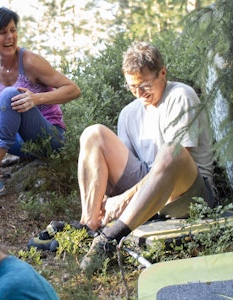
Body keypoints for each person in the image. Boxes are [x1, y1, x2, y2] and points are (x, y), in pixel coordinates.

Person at [78, 41, 215, 272]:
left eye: (145, 86)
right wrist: (112, 199)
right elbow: (123, 172)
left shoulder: (181, 96)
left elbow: (180, 159)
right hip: (147, 192)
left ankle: (111, 238)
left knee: (171, 149)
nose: (139, 94)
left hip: (188, 193)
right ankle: (88, 226)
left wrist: (125, 198)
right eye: (132, 87)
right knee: (93, 134)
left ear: (162, 73)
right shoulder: (128, 113)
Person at [0, 7, 81, 200]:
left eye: (13, 30)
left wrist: (36, 99)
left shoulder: (30, 62)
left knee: (11, 94)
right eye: (3, 32)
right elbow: (5, 108)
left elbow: (73, 89)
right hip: (17, 141)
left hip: (49, 138)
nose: (10, 36)